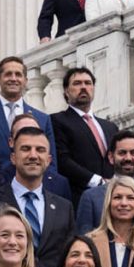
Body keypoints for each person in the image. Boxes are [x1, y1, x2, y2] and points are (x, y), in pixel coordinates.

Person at [0, 123, 77, 267]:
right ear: (13, 158)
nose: (33, 155)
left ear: (49, 159)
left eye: (40, 150)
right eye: (25, 149)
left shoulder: (64, 208)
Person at [0, 56, 57, 176]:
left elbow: (50, 162)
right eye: (8, 74)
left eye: (18, 75)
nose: (13, 79)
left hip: (32, 185)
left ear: (25, 80)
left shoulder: (42, 119)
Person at [51, 64, 119, 200]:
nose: (83, 87)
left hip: (113, 197)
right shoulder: (57, 120)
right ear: (66, 91)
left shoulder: (110, 127)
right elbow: (62, 160)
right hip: (79, 196)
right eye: (77, 83)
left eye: (88, 83)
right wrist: (97, 181)